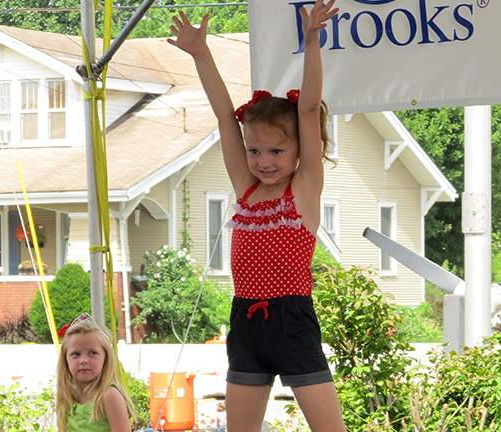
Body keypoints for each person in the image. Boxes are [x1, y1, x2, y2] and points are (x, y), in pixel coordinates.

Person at [167, 1, 346, 431]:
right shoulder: (245, 190)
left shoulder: (303, 190)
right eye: (255, 150)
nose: (263, 161)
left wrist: (311, 41)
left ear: (301, 150)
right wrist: (200, 54)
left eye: (276, 151)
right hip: (245, 320)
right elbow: (224, 117)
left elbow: (308, 109)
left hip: (292, 322)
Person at [56, 314, 135, 432]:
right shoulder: (69, 396)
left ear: (106, 358)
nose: (83, 360)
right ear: (65, 360)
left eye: (92, 353)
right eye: (75, 354)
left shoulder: (108, 395)